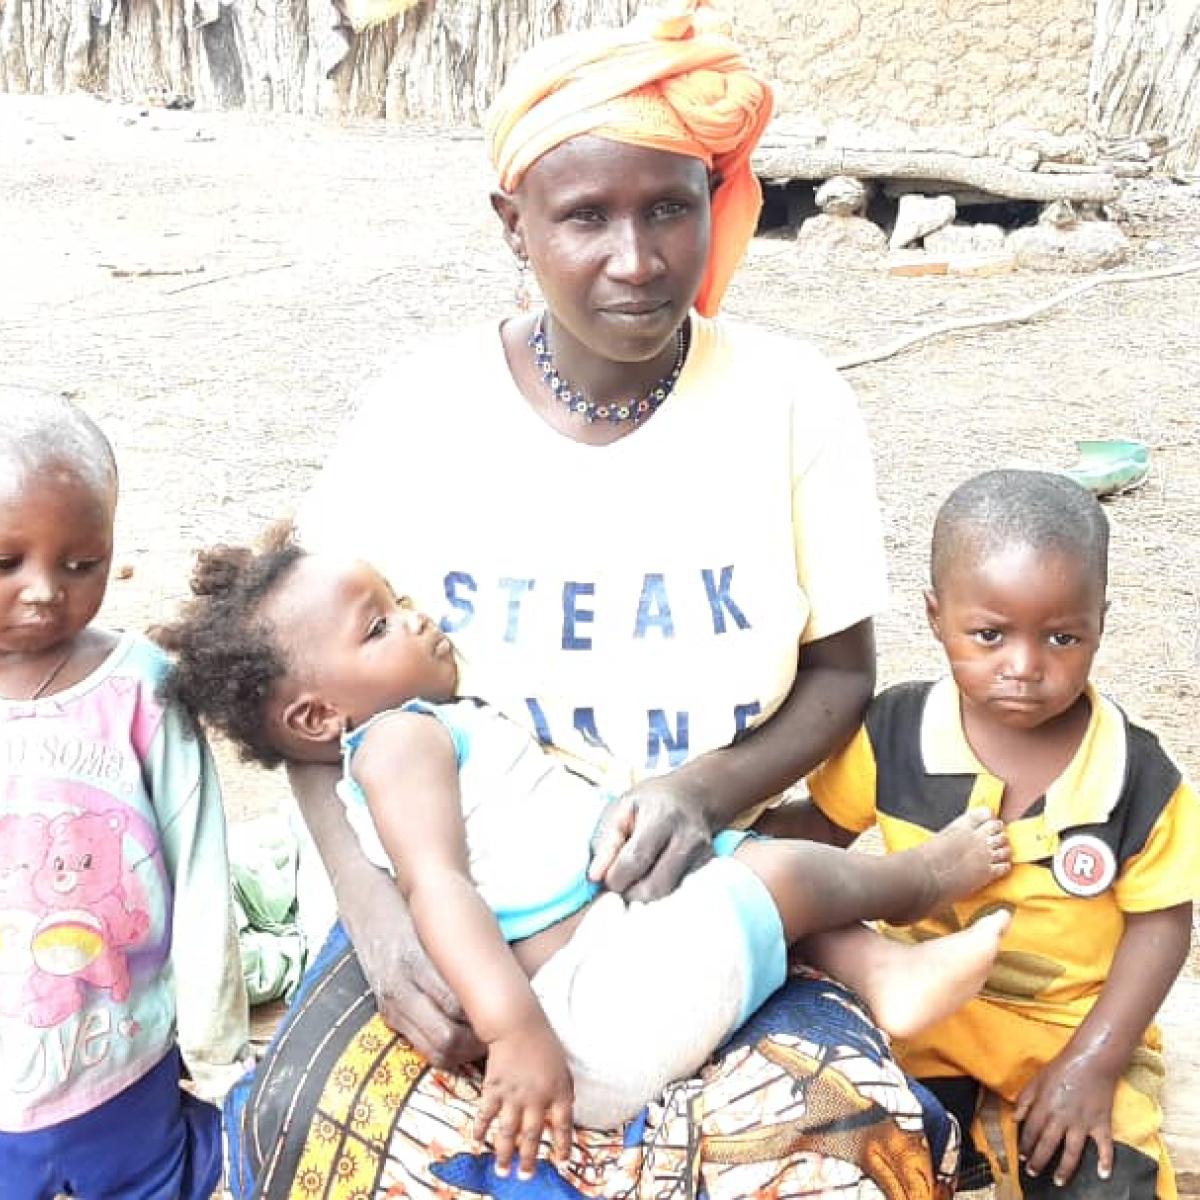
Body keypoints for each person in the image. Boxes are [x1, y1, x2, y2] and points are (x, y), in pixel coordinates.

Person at [222, 4, 971, 1197]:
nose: (637, 258)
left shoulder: (793, 403)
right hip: (460, 915)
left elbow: (840, 675)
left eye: (669, 206)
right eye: (585, 217)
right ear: (512, 226)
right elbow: (304, 710)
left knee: (842, 1154)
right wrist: (375, 919)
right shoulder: (421, 414)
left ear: (714, 203)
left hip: (705, 882)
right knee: (326, 1141)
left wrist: (699, 790)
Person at [157, 537, 1014, 1173]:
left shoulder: (422, 728)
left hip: (607, 961)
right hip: (583, 1021)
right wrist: (517, 1032)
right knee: (777, 872)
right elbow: (437, 888)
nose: (416, 617)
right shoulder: (396, 745)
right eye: (380, 625)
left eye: (400, 599)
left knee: (728, 861)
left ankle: (884, 974)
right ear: (316, 719)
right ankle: (922, 882)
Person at [799, 469, 1200, 1199]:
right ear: (934, 617)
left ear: (1100, 624)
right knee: (847, 1153)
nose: (1024, 667)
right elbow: (822, 830)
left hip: (1072, 1028)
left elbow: (1163, 924)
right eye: (988, 635)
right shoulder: (897, 735)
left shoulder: (1136, 776)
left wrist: (1095, 1063)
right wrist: (733, 834)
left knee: (1108, 1177)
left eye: (1062, 637)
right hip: (925, 1017)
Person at [0, 395, 249, 1199]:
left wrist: (216, 1055)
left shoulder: (140, 690)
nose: (44, 592)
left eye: (82, 564)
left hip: (121, 1055)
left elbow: (202, 870)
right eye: (6, 562)